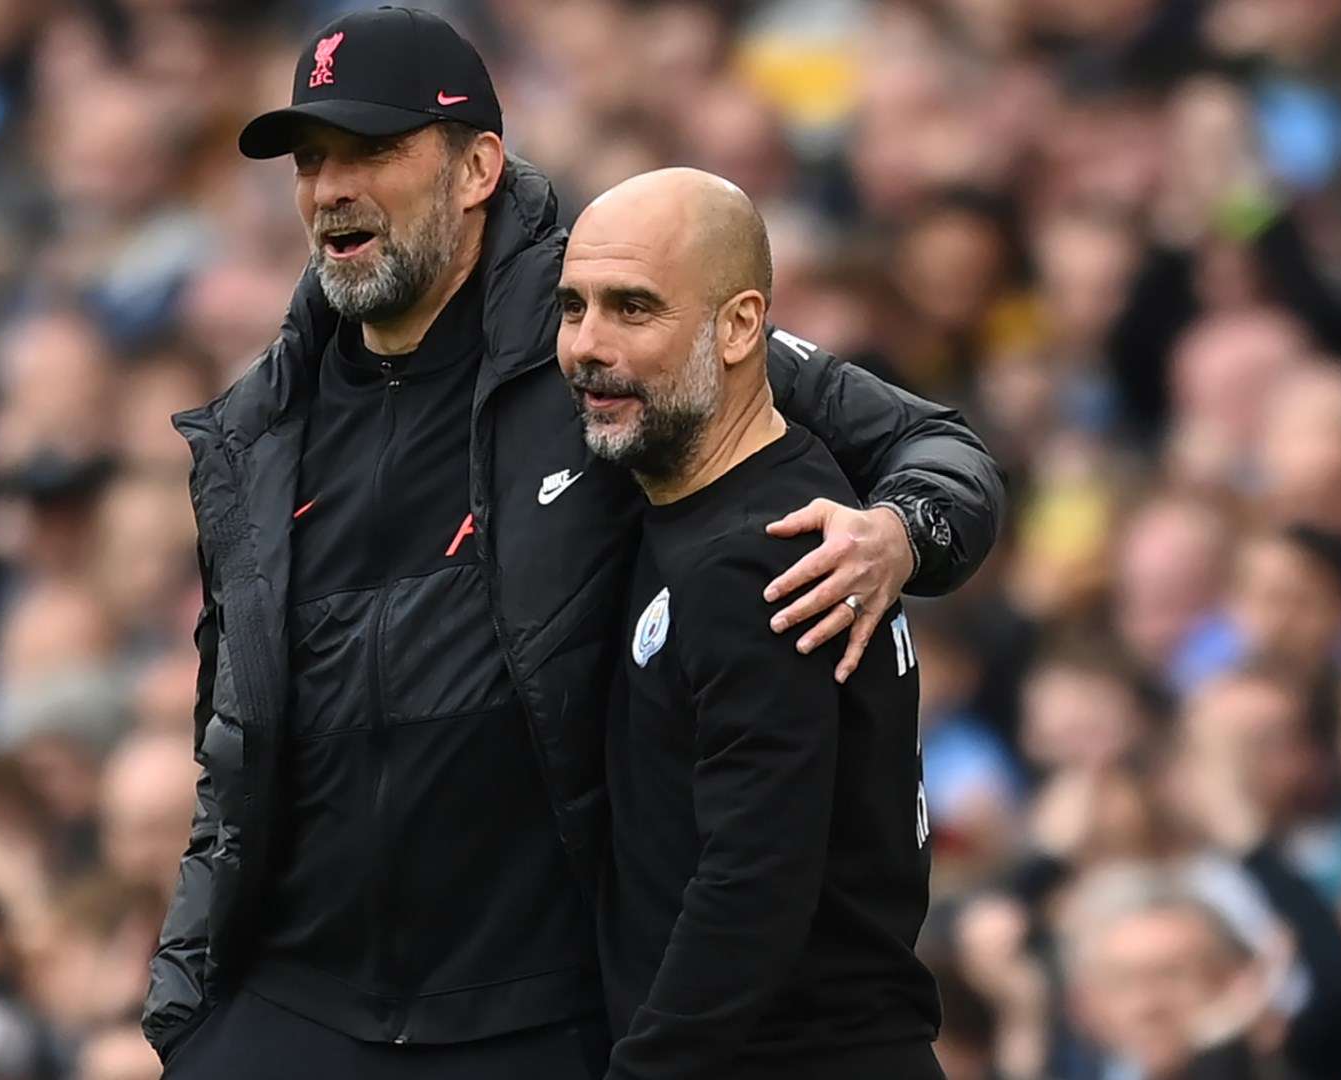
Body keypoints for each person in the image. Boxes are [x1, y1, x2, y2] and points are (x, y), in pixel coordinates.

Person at [148, 6, 1004, 1072]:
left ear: (477, 169)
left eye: (372, 150)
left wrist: (897, 534)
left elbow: (933, 444)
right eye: (311, 160)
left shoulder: (615, 329)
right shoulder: (257, 429)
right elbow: (230, 741)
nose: (331, 188)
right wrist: (184, 1005)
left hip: (533, 1008)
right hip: (298, 1002)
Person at [559, 167, 940, 1078]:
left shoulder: (761, 555)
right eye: (573, 307)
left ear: (738, 327)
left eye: (633, 308)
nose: (585, 345)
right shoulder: (731, 500)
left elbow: (753, 880)